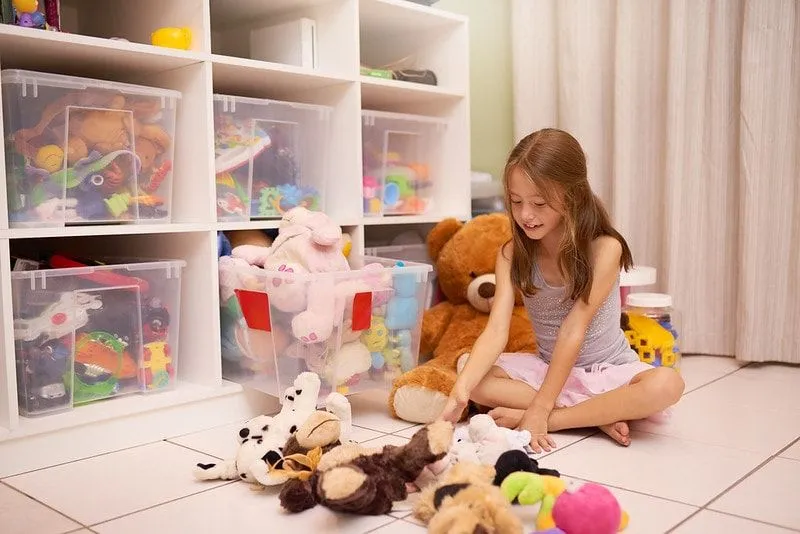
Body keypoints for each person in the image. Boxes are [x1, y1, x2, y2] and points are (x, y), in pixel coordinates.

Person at [438, 128, 684, 453]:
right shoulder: (511, 254)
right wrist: (461, 391)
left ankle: (560, 417)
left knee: (668, 384)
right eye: (516, 202)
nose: (526, 214)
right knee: (472, 373)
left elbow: (573, 329)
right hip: (548, 370)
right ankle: (598, 413)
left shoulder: (604, 248)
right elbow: (496, 330)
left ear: (572, 196)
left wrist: (541, 412)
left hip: (608, 370)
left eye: (539, 203)